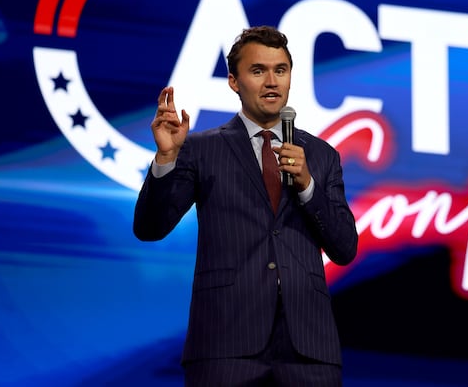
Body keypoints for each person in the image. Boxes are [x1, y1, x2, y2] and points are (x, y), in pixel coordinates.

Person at [133, 25, 358, 386]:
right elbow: (149, 227)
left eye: (280, 70)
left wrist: (307, 186)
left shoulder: (321, 156)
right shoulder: (202, 149)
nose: (272, 81)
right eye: (258, 71)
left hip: (309, 350)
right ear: (234, 82)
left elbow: (345, 247)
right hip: (226, 343)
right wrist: (166, 157)